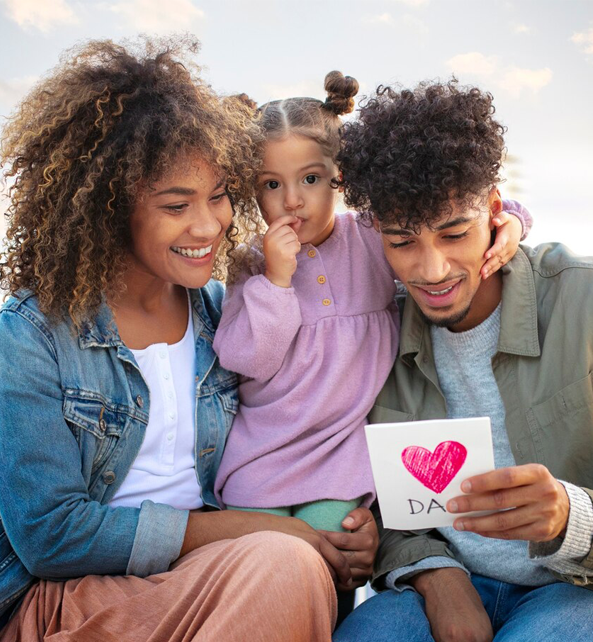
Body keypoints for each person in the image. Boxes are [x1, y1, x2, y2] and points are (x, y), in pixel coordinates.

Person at [0, 38, 378, 641]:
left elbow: (314, 411)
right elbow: (50, 536)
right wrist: (258, 530)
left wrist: (354, 525)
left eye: (220, 195)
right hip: (70, 597)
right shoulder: (30, 336)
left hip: (216, 577)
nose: (209, 226)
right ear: (110, 208)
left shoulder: (226, 315)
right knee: (285, 565)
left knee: (293, 571)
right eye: (177, 205)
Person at [212, 71, 530, 543]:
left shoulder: (371, 237)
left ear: (341, 178)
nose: (292, 199)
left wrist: (513, 226)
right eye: (271, 184)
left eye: (311, 178)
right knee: (255, 568)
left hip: (340, 458)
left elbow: (462, 211)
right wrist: (277, 282)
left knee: (330, 564)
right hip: (261, 457)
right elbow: (248, 361)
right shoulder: (251, 263)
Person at [333, 79, 593, 641]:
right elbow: (389, 507)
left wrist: (573, 518)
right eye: (402, 241)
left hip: (576, 587)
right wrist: (437, 577)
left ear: (495, 212)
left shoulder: (584, 302)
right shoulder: (373, 331)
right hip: (438, 584)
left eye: (454, 233)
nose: (430, 269)